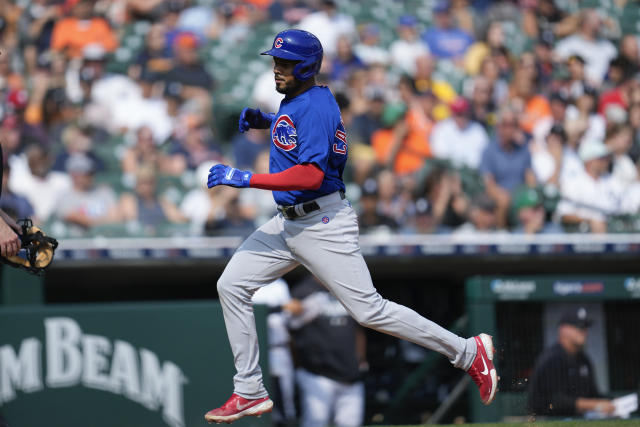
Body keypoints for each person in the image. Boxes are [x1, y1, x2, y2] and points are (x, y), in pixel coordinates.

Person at [203, 29, 498, 424]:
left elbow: (308, 175)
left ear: (306, 66)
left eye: (285, 62)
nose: (276, 68)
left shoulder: (314, 105)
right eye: (275, 60)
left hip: (321, 221)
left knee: (369, 311)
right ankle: (249, 390)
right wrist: (270, 122)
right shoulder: (308, 99)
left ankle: (467, 351)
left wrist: (245, 179)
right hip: (291, 223)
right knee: (231, 284)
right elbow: (302, 128)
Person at [288, 275, 367, 427]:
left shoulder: (347, 289)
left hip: (350, 373)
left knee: (351, 423)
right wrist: (297, 365)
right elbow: (289, 330)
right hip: (317, 373)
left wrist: (361, 360)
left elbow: (359, 329)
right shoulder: (303, 291)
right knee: (316, 421)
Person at [528, 307, 615, 417]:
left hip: (580, 418)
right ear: (563, 329)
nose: (584, 331)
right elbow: (553, 401)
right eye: (578, 327)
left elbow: (593, 395)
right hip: (548, 420)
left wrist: (612, 402)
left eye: (585, 327)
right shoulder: (551, 359)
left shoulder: (584, 360)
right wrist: (594, 405)